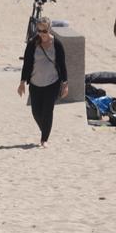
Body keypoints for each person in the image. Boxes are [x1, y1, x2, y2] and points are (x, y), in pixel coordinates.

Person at [17, 16, 68, 148]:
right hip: (35, 83)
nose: (41, 34)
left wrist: (65, 84)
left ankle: (44, 139)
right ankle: (45, 129)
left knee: (47, 111)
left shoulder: (57, 44)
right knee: (36, 112)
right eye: (39, 31)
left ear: (49, 29)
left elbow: (62, 65)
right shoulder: (32, 44)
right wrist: (22, 82)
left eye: (44, 31)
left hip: (52, 83)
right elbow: (27, 64)